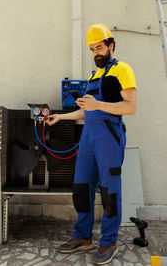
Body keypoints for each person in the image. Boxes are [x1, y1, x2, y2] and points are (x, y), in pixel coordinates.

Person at [45, 23, 137, 265]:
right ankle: (84, 237)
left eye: (99, 47)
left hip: (109, 136)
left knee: (109, 191)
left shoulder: (123, 70)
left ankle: (109, 242)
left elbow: (131, 107)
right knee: (81, 189)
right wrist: (61, 117)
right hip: (88, 138)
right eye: (92, 48)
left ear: (110, 45)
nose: (96, 52)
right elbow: (85, 112)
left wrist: (98, 105)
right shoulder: (93, 75)